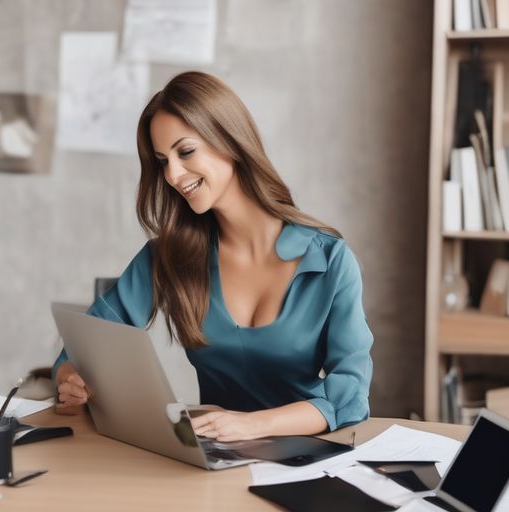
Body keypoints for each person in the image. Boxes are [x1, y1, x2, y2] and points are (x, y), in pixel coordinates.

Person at [51, 71, 373, 441]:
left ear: (230, 142)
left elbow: (351, 395)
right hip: (215, 457)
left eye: (185, 151)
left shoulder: (331, 261)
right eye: (162, 161)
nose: (172, 175)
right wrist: (70, 378)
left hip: (307, 455)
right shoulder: (168, 256)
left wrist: (252, 425)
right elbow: (85, 344)